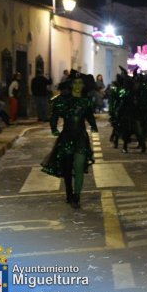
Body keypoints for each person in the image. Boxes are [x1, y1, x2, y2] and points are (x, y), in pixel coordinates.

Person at [41, 70, 98, 209]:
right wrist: (54, 128)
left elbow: (89, 116)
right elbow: (54, 115)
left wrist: (94, 126)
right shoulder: (63, 101)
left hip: (81, 137)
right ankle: (69, 193)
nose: (78, 85)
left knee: (79, 167)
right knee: (67, 168)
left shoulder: (86, 102)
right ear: (71, 85)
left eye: (80, 83)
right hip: (66, 137)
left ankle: (77, 196)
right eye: (75, 83)